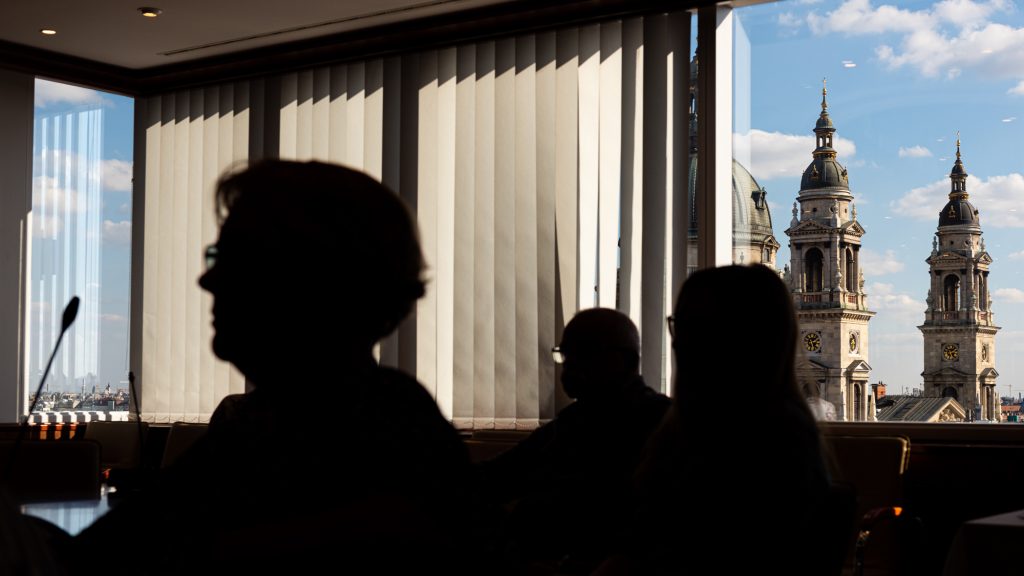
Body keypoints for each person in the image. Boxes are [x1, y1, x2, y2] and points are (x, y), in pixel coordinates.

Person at [72, 160, 483, 575]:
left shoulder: (359, 441)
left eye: (235, 258)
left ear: (314, 281)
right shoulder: (278, 419)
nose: (207, 280)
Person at [609, 265, 832, 575]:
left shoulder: (753, 445)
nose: (677, 342)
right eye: (679, 324)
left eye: (696, 328)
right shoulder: (775, 431)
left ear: (742, 339)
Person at [477, 308, 670, 575]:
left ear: (625, 360)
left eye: (584, 353)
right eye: (566, 354)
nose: (569, 365)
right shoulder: (573, 421)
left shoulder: (660, 426)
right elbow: (500, 475)